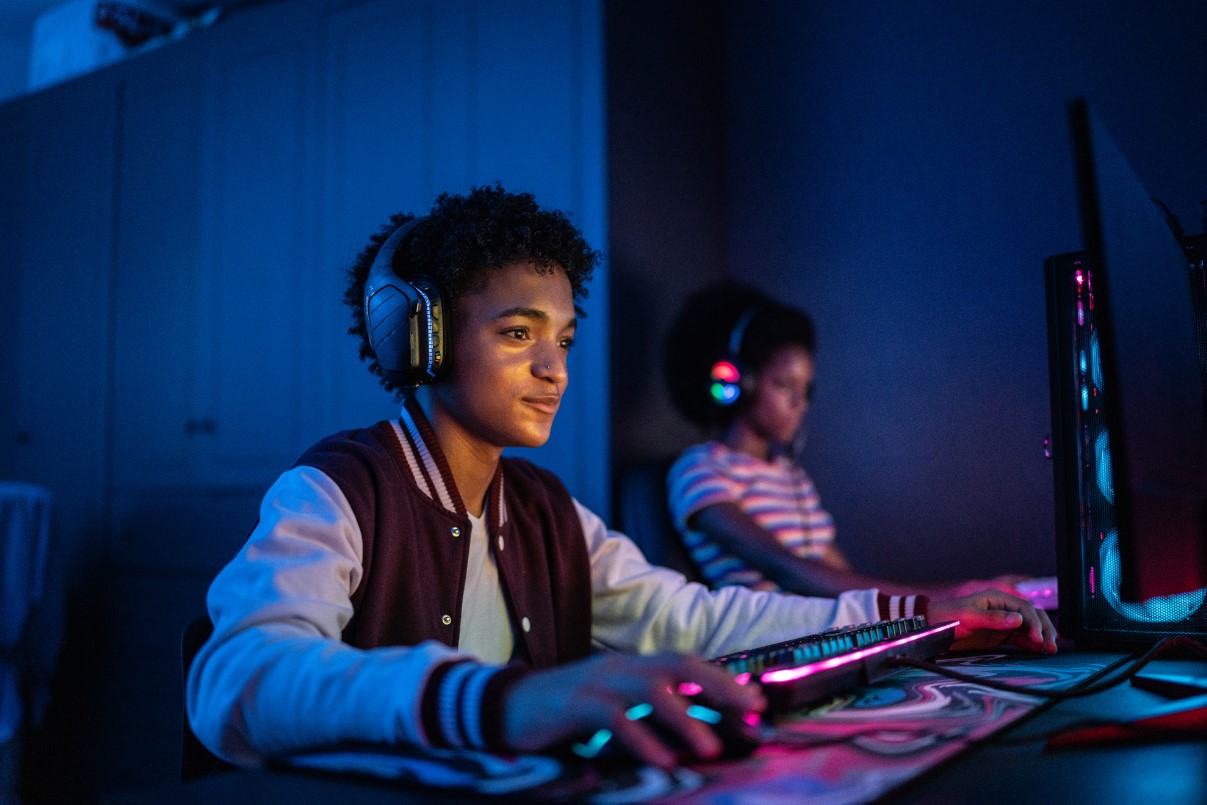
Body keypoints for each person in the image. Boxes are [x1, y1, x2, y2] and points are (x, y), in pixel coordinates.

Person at [187, 185, 1056, 773]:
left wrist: (918, 617)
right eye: (519, 333)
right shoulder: (338, 489)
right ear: (419, 337)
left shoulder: (544, 510)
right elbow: (235, 679)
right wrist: (494, 700)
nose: (554, 368)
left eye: (562, 339)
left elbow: (698, 616)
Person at [664, 281, 1027, 600]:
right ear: (741, 384)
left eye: (806, 390)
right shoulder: (699, 468)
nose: (799, 404)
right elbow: (783, 567)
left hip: (821, 629)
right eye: (784, 385)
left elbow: (847, 580)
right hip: (771, 638)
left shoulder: (791, 477)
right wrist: (941, 598)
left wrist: (963, 594)